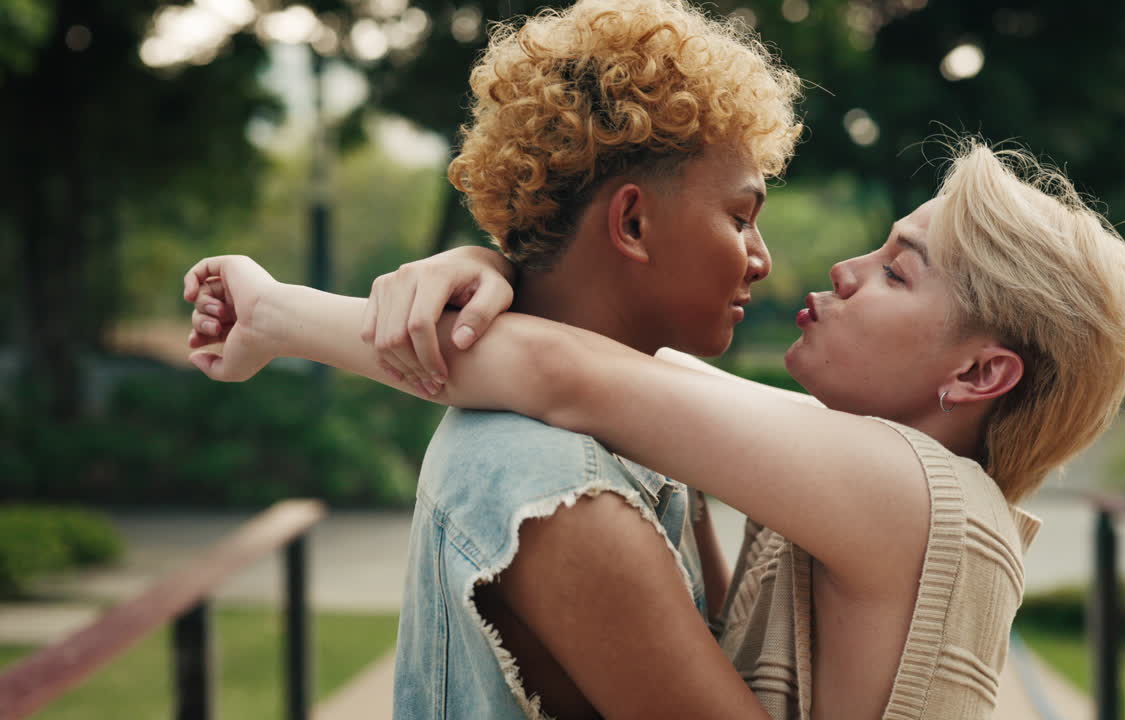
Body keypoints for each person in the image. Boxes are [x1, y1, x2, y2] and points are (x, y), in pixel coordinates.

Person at [184, 136, 1125, 718]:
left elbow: (571, 376)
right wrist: (492, 266)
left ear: (980, 373)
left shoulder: (913, 494)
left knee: (511, 451)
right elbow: (625, 368)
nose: (841, 270)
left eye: (898, 272)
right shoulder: (909, 487)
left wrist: (280, 317)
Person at [188, 1, 802, 718]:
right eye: (740, 218)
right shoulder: (561, 491)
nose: (761, 259)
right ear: (633, 223)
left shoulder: (639, 424)